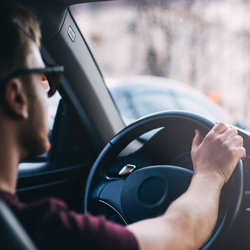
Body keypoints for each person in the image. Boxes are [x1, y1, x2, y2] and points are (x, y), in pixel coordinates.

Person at [0, 2, 246, 250]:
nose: (50, 93)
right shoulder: (47, 230)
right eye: (43, 77)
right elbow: (180, 234)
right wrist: (210, 175)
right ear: (17, 97)